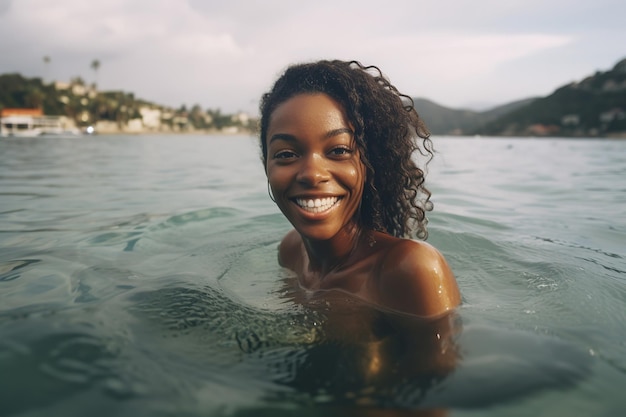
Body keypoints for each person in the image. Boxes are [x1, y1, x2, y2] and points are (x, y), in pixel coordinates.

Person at [259, 59, 460, 319]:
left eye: (339, 150)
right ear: (266, 165)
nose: (311, 174)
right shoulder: (290, 252)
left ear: (370, 163)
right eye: (286, 154)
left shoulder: (413, 269)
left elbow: (442, 360)